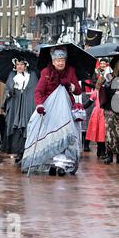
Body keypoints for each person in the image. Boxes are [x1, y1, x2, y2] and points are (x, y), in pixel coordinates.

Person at [21, 47, 82, 176]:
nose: (60, 63)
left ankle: (62, 164)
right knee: (52, 135)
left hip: (66, 109)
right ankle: (52, 163)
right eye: (57, 60)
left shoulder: (71, 71)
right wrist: (39, 105)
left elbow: (78, 90)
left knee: (66, 135)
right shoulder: (46, 72)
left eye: (62, 60)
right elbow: (39, 91)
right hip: (50, 110)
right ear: (53, 62)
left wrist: (71, 86)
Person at [1, 57, 38, 162]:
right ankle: (18, 152)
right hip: (15, 105)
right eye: (17, 64)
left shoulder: (32, 75)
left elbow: (34, 90)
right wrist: (10, 92)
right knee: (15, 126)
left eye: (22, 64)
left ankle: (26, 151)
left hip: (27, 106)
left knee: (27, 126)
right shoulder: (12, 75)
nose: (19, 66)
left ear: (26, 65)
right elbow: (7, 89)